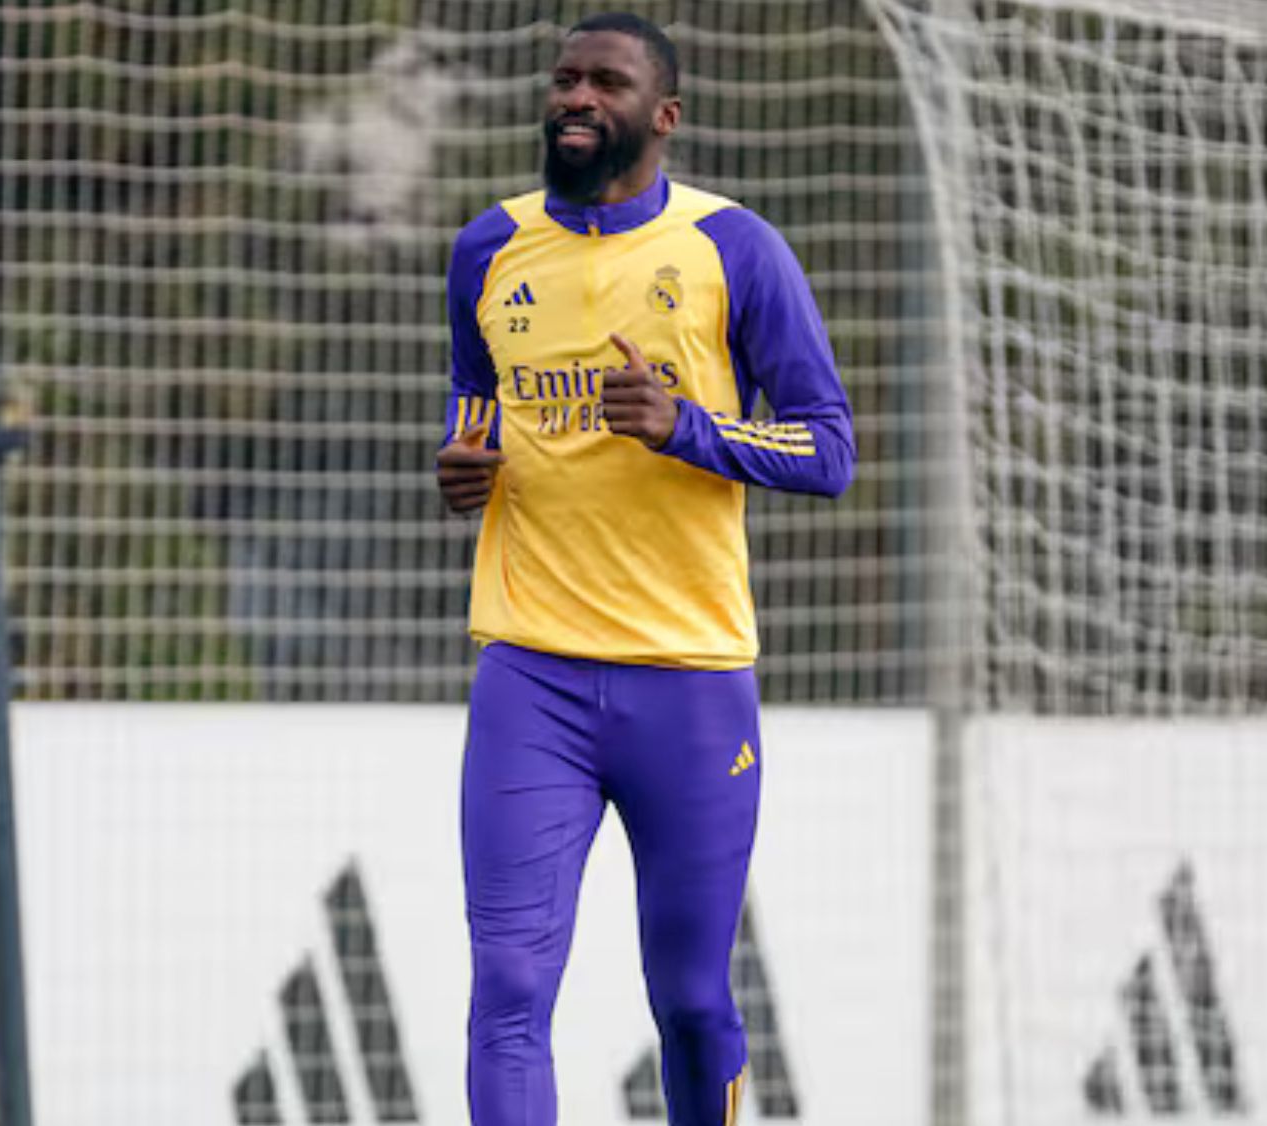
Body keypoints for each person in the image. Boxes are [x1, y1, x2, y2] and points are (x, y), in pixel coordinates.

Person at [434, 12, 855, 1125]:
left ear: (661, 117)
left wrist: (686, 427)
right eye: (563, 78)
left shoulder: (733, 248)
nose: (574, 96)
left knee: (688, 998)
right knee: (510, 987)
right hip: (531, 674)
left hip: (690, 680)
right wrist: (462, 462)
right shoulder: (487, 246)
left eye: (604, 83)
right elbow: (472, 398)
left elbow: (828, 448)